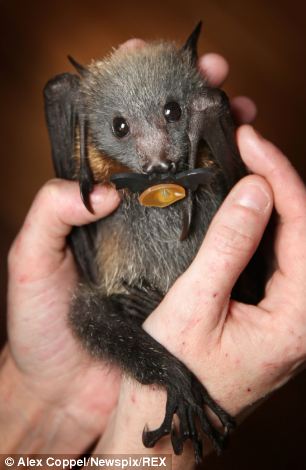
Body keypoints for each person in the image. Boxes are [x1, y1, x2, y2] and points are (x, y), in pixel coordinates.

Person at [1, 42, 305, 469]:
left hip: (211, 296)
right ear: (91, 123)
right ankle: (170, 375)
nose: (156, 153)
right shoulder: (92, 159)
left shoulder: (208, 124)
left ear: (196, 105)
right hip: (128, 293)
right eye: (122, 128)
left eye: (171, 115)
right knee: (88, 313)